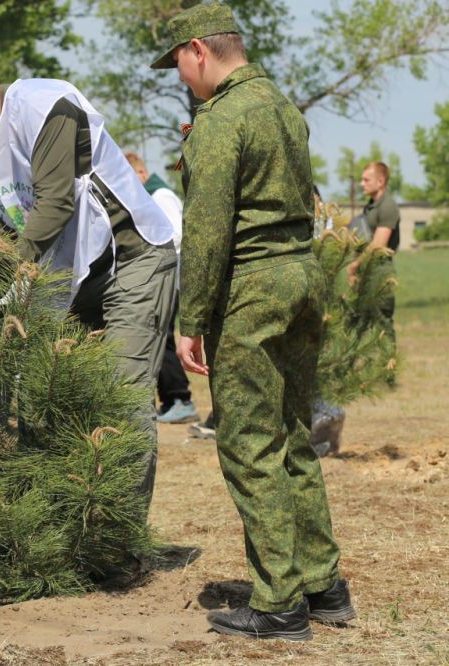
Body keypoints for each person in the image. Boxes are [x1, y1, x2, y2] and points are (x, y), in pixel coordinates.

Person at [151, 3, 354, 640]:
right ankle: (323, 585)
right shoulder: (282, 106)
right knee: (293, 430)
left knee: (248, 441)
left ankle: (278, 604)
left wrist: (191, 319)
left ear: (198, 50)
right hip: (299, 276)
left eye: (179, 64)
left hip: (253, 285)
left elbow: (208, 231)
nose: (181, 77)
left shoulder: (220, 119)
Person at [0, 66, 177, 514]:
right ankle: (58, 531)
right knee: (47, 396)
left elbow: (55, 203)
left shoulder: (42, 104)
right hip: (66, 274)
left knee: (122, 397)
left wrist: (7, 270)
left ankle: (121, 542)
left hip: (131, 257)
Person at [123, 151, 199, 425]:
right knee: (160, 336)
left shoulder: (160, 196)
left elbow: (176, 234)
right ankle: (171, 398)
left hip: (170, 277)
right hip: (160, 275)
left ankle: (180, 399)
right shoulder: (150, 196)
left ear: (141, 173)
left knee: (164, 337)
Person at [348, 161, 399, 339]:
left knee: (382, 324)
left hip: (380, 272)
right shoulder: (370, 207)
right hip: (366, 270)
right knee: (361, 322)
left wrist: (354, 265)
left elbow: (378, 245)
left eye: (366, 179)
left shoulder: (388, 206)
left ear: (380, 181)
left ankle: (389, 365)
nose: (362, 184)